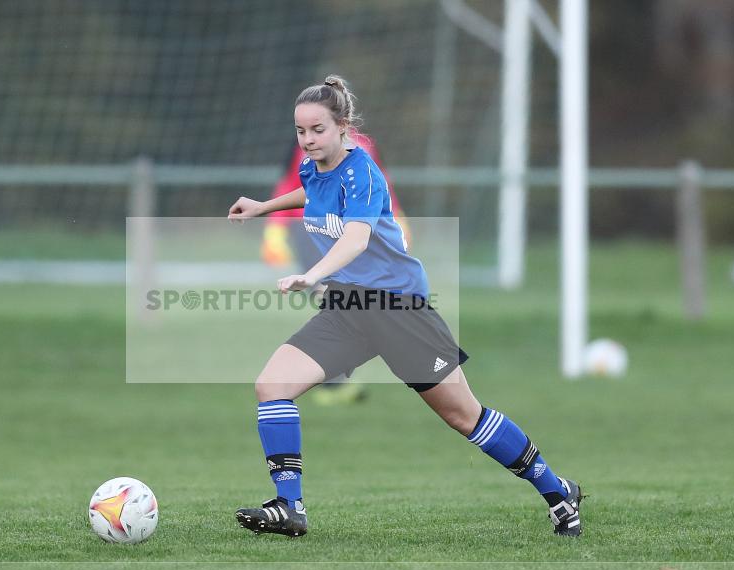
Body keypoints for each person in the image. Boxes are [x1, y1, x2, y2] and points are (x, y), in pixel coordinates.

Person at [227, 75, 583, 538]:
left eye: (317, 129)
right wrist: (264, 206)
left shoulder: (362, 171)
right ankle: (289, 506)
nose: (308, 139)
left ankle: (558, 492)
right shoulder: (314, 167)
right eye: (300, 131)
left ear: (343, 126)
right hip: (348, 308)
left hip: (399, 309)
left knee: (463, 416)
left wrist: (312, 275)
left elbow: (357, 237)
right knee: (272, 385)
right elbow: (312, 194)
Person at [261, 132, 410, 406]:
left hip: (349, 232)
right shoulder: (304, 146)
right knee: (329, 298)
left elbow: (381, 183)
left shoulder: (364, 145)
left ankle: (334, 378)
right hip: (306, 228)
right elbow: (290, 184)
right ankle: (333, 380)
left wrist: (396, 214)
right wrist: (275, 228)